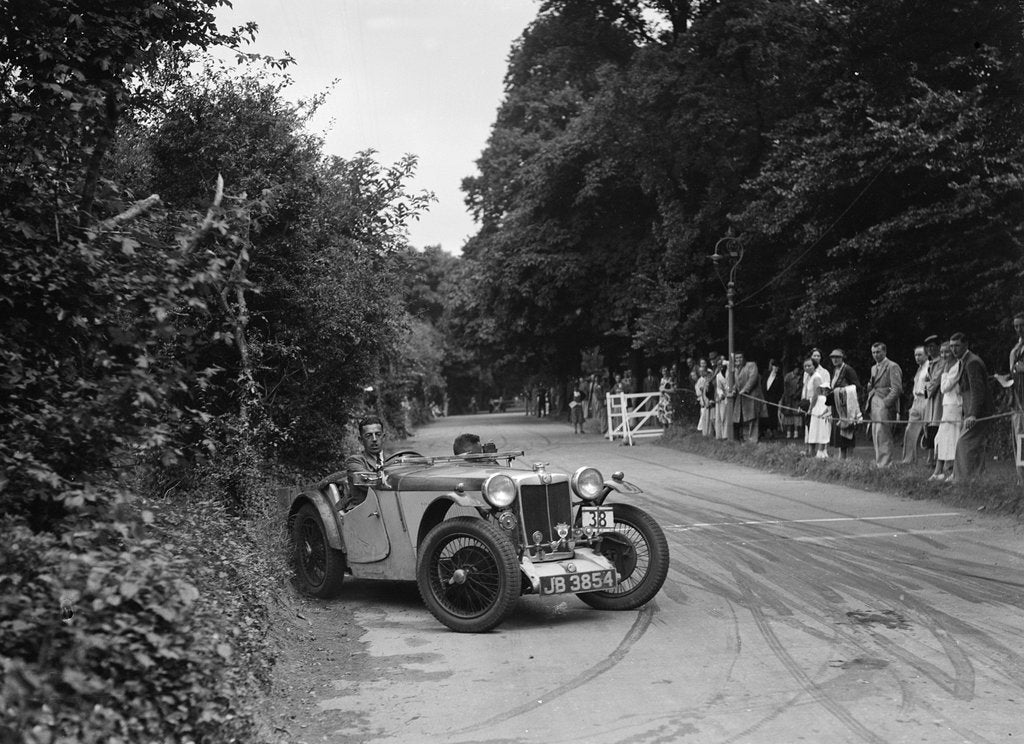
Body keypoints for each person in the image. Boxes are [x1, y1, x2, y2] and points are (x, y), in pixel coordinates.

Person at [318, 415, 387, 511]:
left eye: (378, 434)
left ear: (383, 437)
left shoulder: (393, 460)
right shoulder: (354, 461)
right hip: (363, 513)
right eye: (369, 435)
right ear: (361, 440)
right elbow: (370, 484)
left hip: (388, 509)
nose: (374, 439)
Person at [951, 332, 994, 483]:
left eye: (957, 346)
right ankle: (975, 479)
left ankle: (963, 480)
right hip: (970, 409)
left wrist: (973, 414)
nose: (953, 350)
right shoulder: (964, 361)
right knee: (974, 445)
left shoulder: (972, 362)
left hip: (978, 411)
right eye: (951, 346)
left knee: (964, 443)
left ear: (965, 345)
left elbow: (977, 391)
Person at [865, 342, 903, 468]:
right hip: (874, 402)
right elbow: (873, 384)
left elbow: (896, 389)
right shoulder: (873, 368)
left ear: (885, 352)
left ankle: (886, 464)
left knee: (884, 434)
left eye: (878, 352)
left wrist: (885, 403)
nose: (875, 355)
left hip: (885, 403)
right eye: (873, 352)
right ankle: (879, 463)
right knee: (876, 433)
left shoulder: (892, 366)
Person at [930, 342, 960, 481]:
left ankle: (954, 472)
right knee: (941, 438)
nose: (943, 355)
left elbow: (944, 388)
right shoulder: (947, 366)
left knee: (953, 438)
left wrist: (945, 374)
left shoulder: (956, 366)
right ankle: (938, 471)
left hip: (955, 405)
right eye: (941, 352)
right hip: (946, 405)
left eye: (946, 352)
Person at [828, 349, 862, 459]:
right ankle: (841, 460)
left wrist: (843, 390)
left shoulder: (848, 370)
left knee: (847, 435)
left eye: (837, 357)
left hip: (847, 408)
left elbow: (857, 387)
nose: (835, 359)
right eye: (833, 357)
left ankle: (849, 460)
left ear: (842, 357)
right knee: (839, 436)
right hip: (837, 406)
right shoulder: (835, 370)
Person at [901, 345, 930, 464]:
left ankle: (931, 460)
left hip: (926, 399)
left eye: (920, 355)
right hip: (916, 400)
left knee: (928, 430)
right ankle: (908, 460)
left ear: (926, 355)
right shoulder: (919, 368)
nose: (917, 357)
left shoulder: (930, 366)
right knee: (910, 430)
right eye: (915, 355)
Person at [729, 351, 763, 443]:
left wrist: (745, 389)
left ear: (744, 358)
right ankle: (745, 439)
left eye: (740, 357)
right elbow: (737, 383)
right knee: (743, 418)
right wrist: (734, 389)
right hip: (742, 398)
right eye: (736, 358)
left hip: (752, 396)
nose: (738, 360)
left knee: (752, 418)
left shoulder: (751, 365)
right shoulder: (736, 369)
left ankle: (753, 440)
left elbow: (753, 378)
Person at [802, 356, 831, 457]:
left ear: (814, 366)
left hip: (818, 404)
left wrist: (810, 408)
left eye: (809, 366)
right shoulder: (809, 377)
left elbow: (816, 394)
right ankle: (812, 452)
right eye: (805, 366)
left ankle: (821, 452)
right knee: (813, 428)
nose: (807, 368)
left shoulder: (817, 377)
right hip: (813, 403)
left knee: (821, 428)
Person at [922, 334, 943, 464]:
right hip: (930, 400)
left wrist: (926, 387)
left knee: (936, 425)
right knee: (929, 426)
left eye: (932, 346)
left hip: (938, 399)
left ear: (938, 347)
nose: (930, 350)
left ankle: (935, 458)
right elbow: (926, 382)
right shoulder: (930, 363)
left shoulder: (941, 362)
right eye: (928, 347)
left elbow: (934, 382)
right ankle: (930, 457)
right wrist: (927, 386)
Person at [1010, 312, 1024, 488]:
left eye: (1022, 325)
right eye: (1016, 326)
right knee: (1019, 438)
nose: (1019, 329)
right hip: (1016, 399)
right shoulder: (1017, 346)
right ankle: (1021, 476)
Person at [781, 360, 804, 439]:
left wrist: (797, 395)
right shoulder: (787, 377)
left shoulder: (800, 377)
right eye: (796, 369)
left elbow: (801, 388)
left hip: (796, 398)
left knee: (796, 415)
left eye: (798, 369)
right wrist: (787, 396)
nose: (797, 370)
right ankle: (788, 432)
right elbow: (785, 388)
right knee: (788, 414)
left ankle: (796, 432)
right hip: (788, 398)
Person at [762, 358, 783, 439]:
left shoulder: (779, 377)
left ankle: (773, 431)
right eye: (775, 367)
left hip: (773, 400)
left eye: (778, 367)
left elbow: (781, 390)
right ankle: (764, 431)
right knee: (764, 415)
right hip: (765, 398)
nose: (776, 368)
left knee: (773, 415)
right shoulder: (766, 373)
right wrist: (764, 397)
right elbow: (763, 385)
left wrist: (776, 399)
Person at [714, 359, 730, 439]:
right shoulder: (718, 376)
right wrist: (721, 394)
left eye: (722, 365)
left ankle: (726, 435)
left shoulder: (730, 372)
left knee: (727, 416)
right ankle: (722, 435)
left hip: (731, 395)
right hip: (723, 397)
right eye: (719, 365)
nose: (721, 367)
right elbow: (719, 388)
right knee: (722, 416)